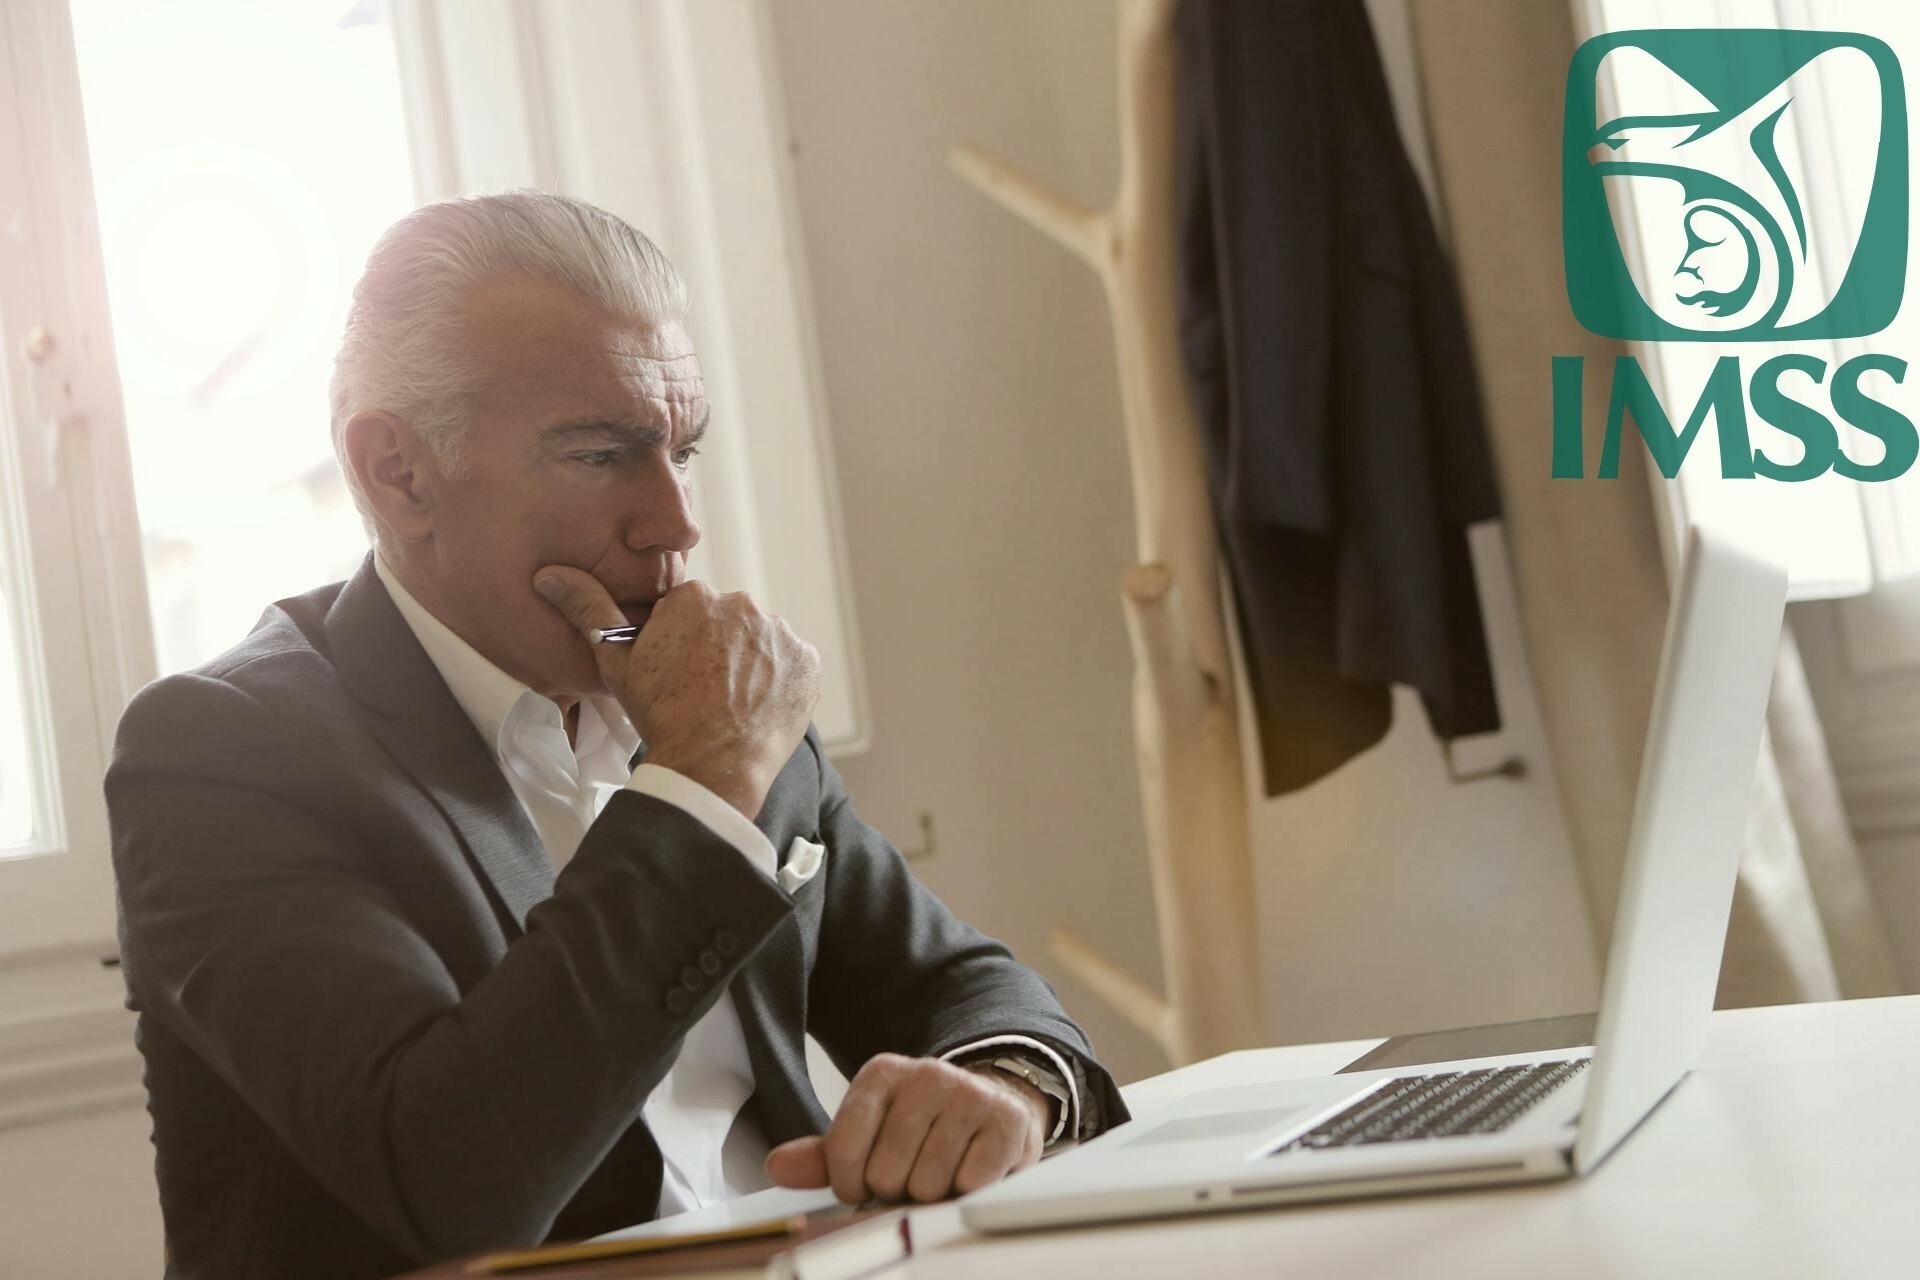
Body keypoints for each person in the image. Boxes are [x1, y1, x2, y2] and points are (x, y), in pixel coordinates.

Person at [106, 190, 1125, 1280]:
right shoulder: (220, 753)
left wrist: (1006, 1087)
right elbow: (446, 1180)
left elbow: (964, 986)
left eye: (683, 450)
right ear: (397, 473)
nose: (677, 523)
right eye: (600, 455)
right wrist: (702, 782)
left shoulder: (711, 700)